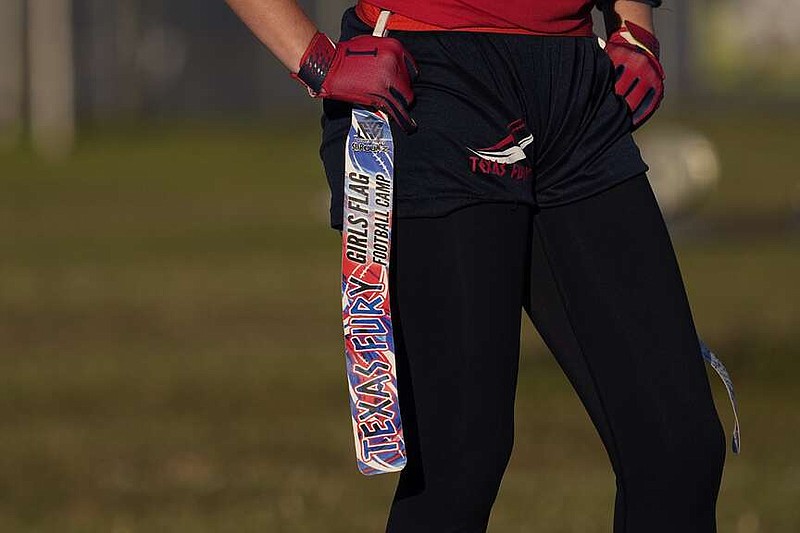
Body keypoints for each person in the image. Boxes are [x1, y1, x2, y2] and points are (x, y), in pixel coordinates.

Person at [225, 1, 737, 531]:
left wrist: (636, 30)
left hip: (576, 86)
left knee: (678, 447)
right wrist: (314, 59)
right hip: (429, 80)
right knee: (460, 457)